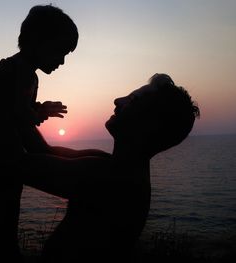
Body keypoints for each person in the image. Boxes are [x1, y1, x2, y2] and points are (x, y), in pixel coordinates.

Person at [0, 4, 109, 263]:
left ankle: (4, 251)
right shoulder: (11, 71)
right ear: (38, 42)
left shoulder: (28, 75)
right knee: (9, 193)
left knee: (10, 194)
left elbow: (19, 114)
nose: (62, 61)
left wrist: (37, 113)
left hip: (2, 136)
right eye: (60, 52)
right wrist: (39, 113)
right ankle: (3, 253)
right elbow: (13, 115)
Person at [18, 73, 200, 262]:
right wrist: (26, 113)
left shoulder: (110, 178)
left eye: (132, 100)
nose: (117, 101)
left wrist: (9, 104)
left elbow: (16, 164)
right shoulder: (117, 168)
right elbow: (40, 150)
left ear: (149, 125)